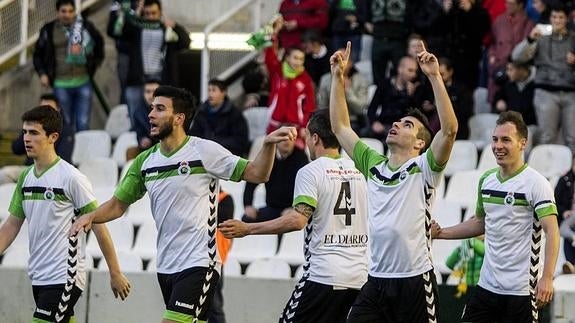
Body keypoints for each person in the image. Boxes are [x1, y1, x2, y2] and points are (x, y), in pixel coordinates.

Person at [70, 85, 297, 323]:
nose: (150, 114)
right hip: (166, 265)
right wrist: (91, 216)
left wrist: (268, 144)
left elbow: (258, 174)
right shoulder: (144, 162)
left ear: (179, 118)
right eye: (151, 108)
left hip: (199, 262)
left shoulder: (204, 151)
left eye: (159, 109)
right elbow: (117, 206)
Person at [330, 41, 458, 322]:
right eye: (398, 121)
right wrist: (338, 79)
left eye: (407, 125)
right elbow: (340, 127)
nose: (397, 124)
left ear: (421, 143)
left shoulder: (425, 168)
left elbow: (449, 131)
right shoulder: (373, 164)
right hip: (376, 280)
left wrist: (434, 77)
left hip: (414, 281)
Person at [220, 109, 368, 323]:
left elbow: (297, 220)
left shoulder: (311, 171)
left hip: (323, 275)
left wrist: (248, 228)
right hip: (358, 277)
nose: (306, 141)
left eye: (307, 135)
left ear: (315, 138)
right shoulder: (359, 171)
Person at [0, 106, 131, 323]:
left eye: (34, 133)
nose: (26, 138)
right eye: (24, 132)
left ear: (53, 137)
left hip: (64, 277)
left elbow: (99, 225)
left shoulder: (71, 178)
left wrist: (115, 272)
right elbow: (11, 226)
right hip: (39, 276)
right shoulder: (25, 178)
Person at [432, 111, 560, 322]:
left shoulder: (537, 184)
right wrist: (441, 233)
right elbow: (480, 222)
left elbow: (552, 231)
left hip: (521, 292)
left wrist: (546, 278)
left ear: (522, 143)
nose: (498, 146)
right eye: (495, 139)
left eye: (506, 140)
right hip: (487, 287)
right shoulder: (487, 180)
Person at [107, 0, 190, 155]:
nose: (150, 17)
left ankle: (164, 147)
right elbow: (114, 32)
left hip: (160, 78)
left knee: (164, 114)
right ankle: (142, 145)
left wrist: (175, 27)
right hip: (137, 79)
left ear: (160, 12)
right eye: (147, 13)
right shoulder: (135, 28)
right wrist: (134, 15)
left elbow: (185, 42)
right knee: (136, 115)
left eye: (154, 13)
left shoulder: (166, 28)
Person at [512, 4, 575, 154]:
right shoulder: (540, 37)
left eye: (561, 17)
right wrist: (530, 39)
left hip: (571, 92)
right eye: (554, 17)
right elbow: (517, 57)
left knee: (573, 139)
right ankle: (546, 174)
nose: (557, 21)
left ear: (567, 19)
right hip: (545, 91)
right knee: (547, 137)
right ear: (550, 19)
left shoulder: (574, 39)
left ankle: (571, 176)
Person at [33, 0, 104, 132]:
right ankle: (67, 152)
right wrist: (42, 73)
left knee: (83, 123)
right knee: (65, 123)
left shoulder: (84, 27)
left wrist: (94, 63)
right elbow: (37, 54)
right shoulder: (49, 29)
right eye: (63, 11)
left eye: (71, 11)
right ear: (57, 12)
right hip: (60, 84)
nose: (67, 14)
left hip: (83, 81)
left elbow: (99, 43)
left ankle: (82, 152)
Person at [266, 16, 317, 151]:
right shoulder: (277, 71)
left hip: (296, 129)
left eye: (301, 59)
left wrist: (305, 126)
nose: (298, 62)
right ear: (287, 57)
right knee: (272, 161)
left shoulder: (306, 79)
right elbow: (270, 55)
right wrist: (274, 34)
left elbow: (310, 106)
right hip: (275, 124)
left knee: (296, 161)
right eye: (295, 57)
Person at [0, 94, 74, 184]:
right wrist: (28, 132)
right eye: (42, 108)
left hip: (52, 171)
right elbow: (16, 149)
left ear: (58, 109)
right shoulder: (32, 126)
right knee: (5, 174)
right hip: (30, 168)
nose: (44, 113)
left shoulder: (65, 130)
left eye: (49, 109)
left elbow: (64, 157)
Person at [242, 133, 309, 223]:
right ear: (276, 140)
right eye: (283, 138)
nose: (287, 142)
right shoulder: (268, 156)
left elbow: (306, 186)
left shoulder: (301, 157)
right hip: (272, 208)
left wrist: (295, 209)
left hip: (292, 209)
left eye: (290, 139)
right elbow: (253, 180)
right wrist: (248, 205)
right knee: (246, 219)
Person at [188, 79, 250, 157]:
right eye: (209, 90)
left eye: (214, 90)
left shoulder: (234, 114)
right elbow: (194, 135)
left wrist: (214, 144)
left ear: (224, 92)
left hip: (227, 156)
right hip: (203, 156)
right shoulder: (201, 112)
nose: (210, 94)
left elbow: (240, 141)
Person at [554, 156, 575, 272]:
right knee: (565, 229)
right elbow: (555, 202)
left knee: (568, 232)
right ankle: (571, 264)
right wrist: (564, 212)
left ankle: (571, 266)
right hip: (569, 218)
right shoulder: (564, 180)